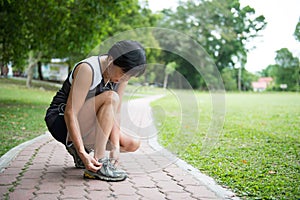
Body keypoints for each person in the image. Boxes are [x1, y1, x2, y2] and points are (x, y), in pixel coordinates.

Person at [45, 40, 146, 181]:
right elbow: (70, 112)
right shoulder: (88, 69)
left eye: (129, 76)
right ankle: (99, 162)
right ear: (111, 60)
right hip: (61, 121)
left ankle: (82, 152)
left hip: (85, 123)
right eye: (124, 73)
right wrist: (82, 153)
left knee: (132, 143)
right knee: (111, 97)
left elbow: (116, 113)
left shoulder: (121, 76)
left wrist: (116, 147)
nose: (125, 79)